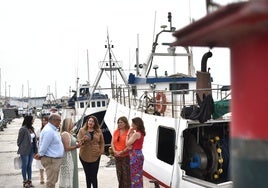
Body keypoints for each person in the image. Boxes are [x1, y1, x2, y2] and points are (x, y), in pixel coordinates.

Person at [34, 113, 64, 188]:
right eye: (59, 120)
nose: (60, 122)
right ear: (54, 121)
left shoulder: (51, 129)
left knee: (52, 180)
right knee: (51, 182)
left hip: (53, 159)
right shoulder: (49, 131)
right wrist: (40, 154)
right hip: (51, 160)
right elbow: (44, 145)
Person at [77, 115, 105, 188]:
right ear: (87, 122)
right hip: (84, 155)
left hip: (95, 155)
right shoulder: (82, 130)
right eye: (89, 121)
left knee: (94, 175)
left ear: (95, 123)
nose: (91, 122)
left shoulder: (98, 131)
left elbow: (102, 142)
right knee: (88, 175)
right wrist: (83, 139)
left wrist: (101, 151)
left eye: (93, 121)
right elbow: (79, 142)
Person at [59, 118, 81, 188]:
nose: (73, 124)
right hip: (68, 157)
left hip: (72, 155)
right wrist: (76, 146)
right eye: (71, 122)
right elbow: (66, 148)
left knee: (72, 174)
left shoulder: (70, 133)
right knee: (68, 177)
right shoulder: (65, 134)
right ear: (68, 124)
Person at [17, 115, 38, 187]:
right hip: (24, 150)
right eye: (32, 119)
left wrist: (35, 149)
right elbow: (19, 141)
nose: (33, 121)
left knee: (29, 165)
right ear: (29, 120)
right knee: (24, 166)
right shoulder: (23, 129)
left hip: (32, 149)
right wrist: (22, 146)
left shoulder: (32, 128)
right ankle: (25, 182)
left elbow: (34, 139)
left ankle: (29, 181)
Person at [111, 116, 131, 188]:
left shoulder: (129, 132)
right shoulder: (116, 132)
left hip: (125, 157)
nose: (119, 124)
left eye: (121, 122)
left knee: (126, 176)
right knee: (119, 175)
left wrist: (121, 152)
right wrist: (114, 151)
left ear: (125, 123)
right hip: (117, 157)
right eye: (118, 122)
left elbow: (129, 146)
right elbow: (112, 143)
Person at [126, 117, 146, 188]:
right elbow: (132, 143)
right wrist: (131, 133)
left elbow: (127, 143)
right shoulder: (140, 133)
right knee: (138, 175)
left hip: (135, 155)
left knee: (134, 176)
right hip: (139, 153)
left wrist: (128, 134)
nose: (131, 125)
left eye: (132, 124)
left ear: (136, 125)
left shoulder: (136, 134)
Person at [35, 116, 48, 184]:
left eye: (45, 121)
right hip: (40, 148)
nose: (44, 122)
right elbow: (35, 138)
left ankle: (48, 177)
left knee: (47, 164)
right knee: (40, 164)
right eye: (43, 121)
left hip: (48, 150)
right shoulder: (39, 129)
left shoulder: (51, 129)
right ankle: (41, 177)